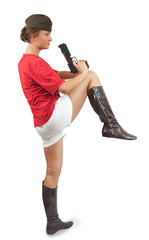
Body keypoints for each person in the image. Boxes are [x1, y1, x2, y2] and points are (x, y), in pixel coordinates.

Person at [18, 14, 137, 235]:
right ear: (34, 37)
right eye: (47, 34)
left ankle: (52, 222)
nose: (50, 38)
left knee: (52, 172)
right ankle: (110, 125)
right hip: (54, 115)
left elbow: (53, 75)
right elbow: (64, 89)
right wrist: (82, 74)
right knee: (92, 76)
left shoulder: (26, 62)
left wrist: (72, 72)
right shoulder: (34, 62)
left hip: (43, 124)